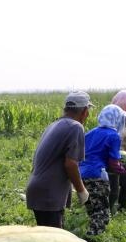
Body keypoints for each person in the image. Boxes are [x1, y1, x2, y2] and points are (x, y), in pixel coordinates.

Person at [25, 91, 92, 229]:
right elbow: (71, 164)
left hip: (39, 189)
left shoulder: (54, 124)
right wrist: (81, 191)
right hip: (48, 193)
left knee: (49, 238)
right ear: (85, 111)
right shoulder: (75, 127)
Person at [79, 105, 126, 238]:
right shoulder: (114, 136)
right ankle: (93, 241)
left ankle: (87, 236)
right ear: (116, 119)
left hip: (81, 175)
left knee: (92, 210)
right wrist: (123, 170)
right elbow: (114, 163)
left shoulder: (90, 133)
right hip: (97, 176)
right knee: (102, 213)